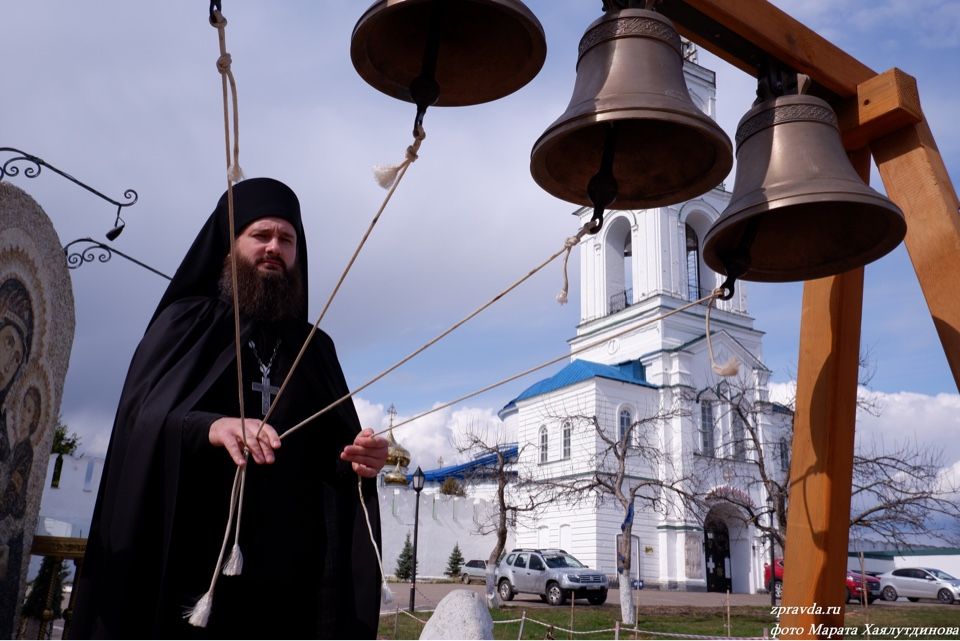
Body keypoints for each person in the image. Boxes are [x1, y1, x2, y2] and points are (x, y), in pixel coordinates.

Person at [72, 178, 389, 639]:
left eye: (287, 239)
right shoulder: (185, 324)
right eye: (261, 235)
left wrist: (360, 461)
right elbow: (140, 424)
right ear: (228, 245)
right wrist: (210, 427)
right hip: (189, 574)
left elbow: (331, 461)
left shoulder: (315, 350)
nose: (274, 248)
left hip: (289, 588)